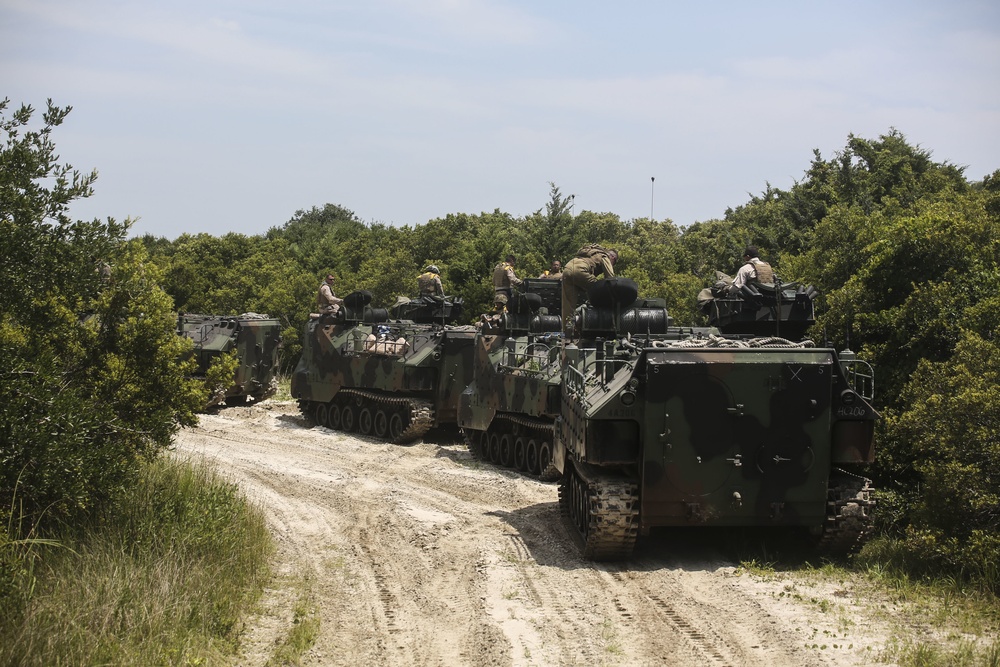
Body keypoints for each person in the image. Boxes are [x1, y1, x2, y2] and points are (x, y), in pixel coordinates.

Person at [561, 244, 617, 333]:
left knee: (568, 305)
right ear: (613, 257)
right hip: (580, 271)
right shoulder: (605, 256)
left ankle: (568, 333)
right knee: (599, 291)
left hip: (567, 269)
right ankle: (601, 324)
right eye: (613, 263)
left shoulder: (590, 253)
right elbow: (610, 278)